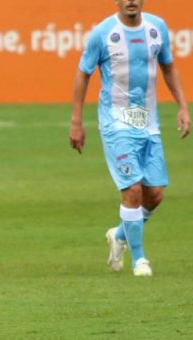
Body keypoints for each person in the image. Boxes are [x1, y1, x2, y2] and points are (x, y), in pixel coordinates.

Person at [69, 0, 190, 276]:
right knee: (132, 191)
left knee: (154, 195)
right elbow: (82, 74)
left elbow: (169, 67)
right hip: (116, 123)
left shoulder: (156, 27)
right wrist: (76, 121)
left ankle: (120, 235)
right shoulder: (103, 33)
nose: (131, 1)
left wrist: (183, 106)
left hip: (148, 122)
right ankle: (139, 259)